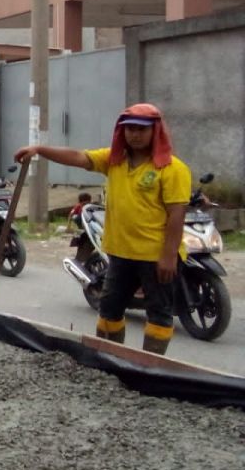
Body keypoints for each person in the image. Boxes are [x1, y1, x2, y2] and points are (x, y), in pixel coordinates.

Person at [15, 103, 190, 355]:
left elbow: (177, 214)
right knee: (109, 310)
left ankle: (149, 369)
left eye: (141, 129)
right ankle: (110, 362)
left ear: (156, 132)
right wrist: (39, 149)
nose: (135, 134)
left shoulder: (173, 169)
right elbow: (78, 157)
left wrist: (169, 255)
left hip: (155, 256)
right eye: (129, 129)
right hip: (120, 253)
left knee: (159, 314)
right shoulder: (113, 160)